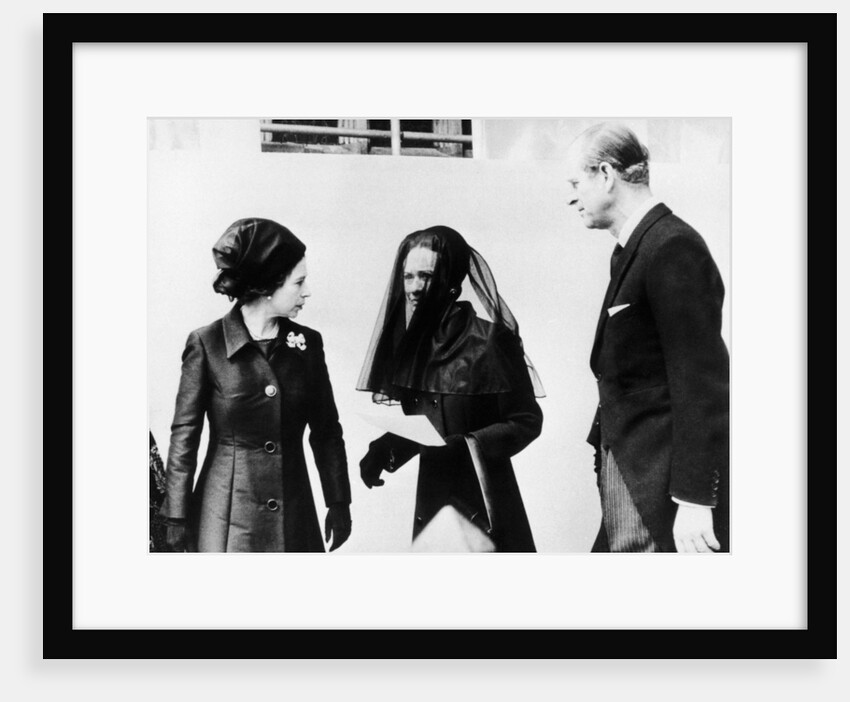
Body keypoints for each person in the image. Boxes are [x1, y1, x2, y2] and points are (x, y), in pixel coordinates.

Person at [564, 122, 729, 553]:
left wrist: (695, 498)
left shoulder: (672, 246)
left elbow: (702, 380)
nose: (571, 196)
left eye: (576, 182)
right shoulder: (635, 247)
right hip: (634, 473)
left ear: (605, 174)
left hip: (657, 485)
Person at [158, 218, 351, 552]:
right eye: (298, 282)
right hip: (224, 516)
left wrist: (339, 502)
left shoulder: (308, 344)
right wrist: (175, 515)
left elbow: (327, 431)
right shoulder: (207, 344)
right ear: (267, 285)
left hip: (294, 510)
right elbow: (185, 433)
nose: (306, 292)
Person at [356, 226, 544, 552]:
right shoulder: (413, 346)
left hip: (486, 498)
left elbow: (527, 419)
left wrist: (468, 445)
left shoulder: (490, 340)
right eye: (408, 276)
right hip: (432, 493)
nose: (414, 288)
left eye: (426, 276)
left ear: (451, 281)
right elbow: (430, 423)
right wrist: (389, 447)